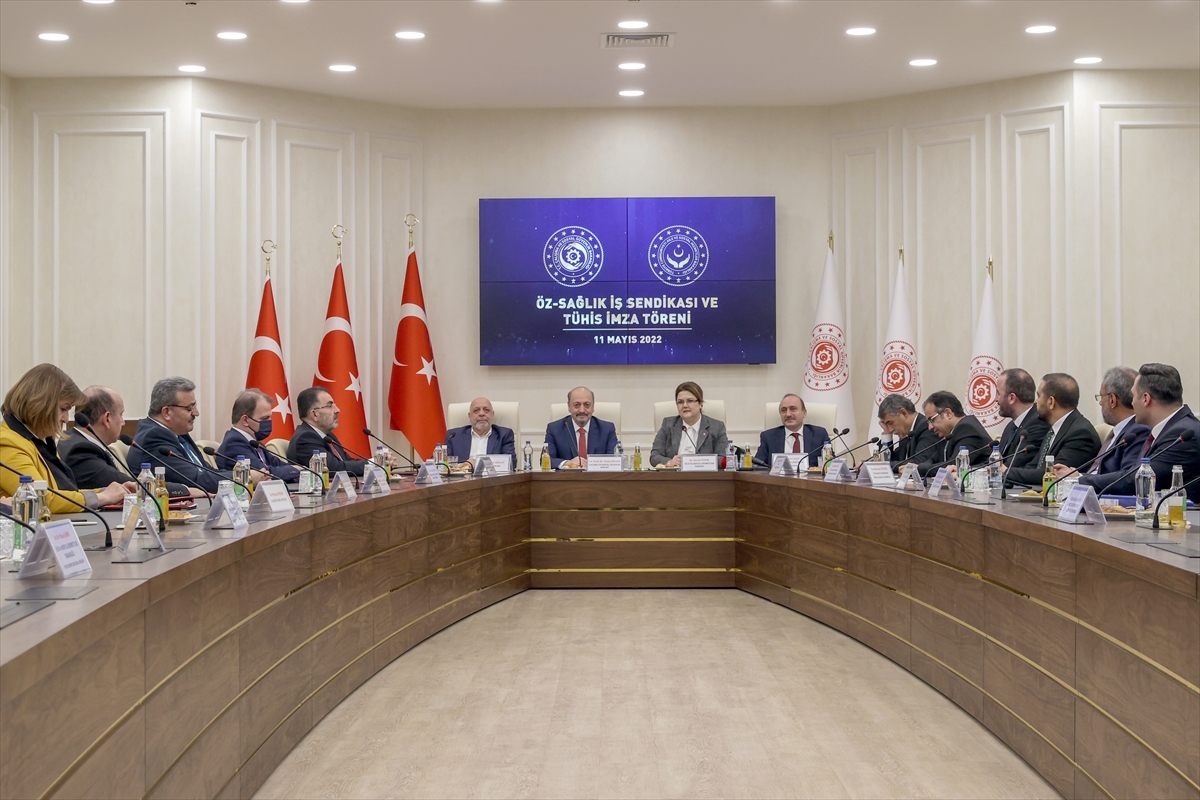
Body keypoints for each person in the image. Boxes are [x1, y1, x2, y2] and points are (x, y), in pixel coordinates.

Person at [0, 363, 130, 512]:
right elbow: (41, 499)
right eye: (63, 409)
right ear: (40, 404)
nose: (66, 419)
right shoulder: (8, 443)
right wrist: (103, 497)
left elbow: (61, 492)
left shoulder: (39, 441)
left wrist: (109, 492)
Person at [61, 386, 201, 498]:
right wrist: (185, 490)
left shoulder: (77, 442)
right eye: (121, 415)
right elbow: (129, 485)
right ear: (107, 418)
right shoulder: (79, 450)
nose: (123, 422)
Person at [1105, 362, 1200, 501]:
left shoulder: (1183, 434)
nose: (1132, 403)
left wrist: (1080, 480)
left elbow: (1136, 481)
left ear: (1145, 399)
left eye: (1133, 396)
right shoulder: (1163, 430)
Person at [128, 376, 232, 494]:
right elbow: (196, 480)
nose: (196, 413)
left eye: (195, 406)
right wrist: (242, 477)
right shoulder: (153, 438)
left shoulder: (178, 433)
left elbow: (208, 471)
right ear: (167, 412)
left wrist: (243, 474)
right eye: (189, 408)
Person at [1005, 373, 1101, 487]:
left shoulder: (1081, 434)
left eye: (1039, 396)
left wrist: (1005, 472)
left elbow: (1052, 474)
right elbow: (1034, 467)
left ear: (1051, 402)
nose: (1035, 401)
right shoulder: (1055, 429)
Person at [1065, 367, 1151, 491]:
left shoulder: (1138, 432)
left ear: (1112, 400)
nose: (1100, 403)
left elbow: (1126, 478)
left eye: (1101, 397)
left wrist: (1078, 479)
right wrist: (1075, 476)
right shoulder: (1117, 432)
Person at [216, 389, 300, 483]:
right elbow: (263, 473)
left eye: (270, 417)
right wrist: (296, 471)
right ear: (245, 420)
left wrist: (299, 469)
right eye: (265, 418)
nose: (269, 422)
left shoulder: (254, 443)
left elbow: (278, 464)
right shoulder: (233, 443)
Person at [287, 387, 371, 475]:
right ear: (314, 414)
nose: (337, 410)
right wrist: (371, 464)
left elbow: (347, 461)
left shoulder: (328, 436)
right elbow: (332, 468)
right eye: (330, 406)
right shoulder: (305, 438)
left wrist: (374, 464)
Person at [651, 381, 728, 467]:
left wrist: (698, 461)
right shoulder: (668, 425)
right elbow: (654, 456)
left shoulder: (717, 427)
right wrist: (670, 462)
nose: (685, 405)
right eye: (680, 402)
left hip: (704, 475)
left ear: (700, 403)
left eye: (690, 401)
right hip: (674, 474)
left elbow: (723, 458)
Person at [544, 387, 619, 469]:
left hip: (598, 477)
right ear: (569, 407)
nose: (582, 410)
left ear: (593, 407)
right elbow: (546, 460)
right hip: (567, 477)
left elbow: (615, 461)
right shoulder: (554, 429)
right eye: (577, 405)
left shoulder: (607, 429)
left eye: (587, 405)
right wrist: (568, 463)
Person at [922, 391, 992, 477]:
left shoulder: (967, 429)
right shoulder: (947, 433)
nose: (930, 427)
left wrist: (920, 468)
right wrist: (919, 467)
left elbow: (955, 465)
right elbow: (933, 459)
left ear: (948, 413)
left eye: (932, 420)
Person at [996, 368, 1050, 473]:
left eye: (998, 393)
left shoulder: (1039, 424)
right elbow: (996, 462)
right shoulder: (1011, 426)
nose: (995, 399)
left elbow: (1012, 466)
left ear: (1012, 398)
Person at [754, 393, 829, 467]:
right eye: (783, 410)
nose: (788, 414)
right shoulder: (768, 437)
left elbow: (830, 463)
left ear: (804, 413)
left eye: (793, 409)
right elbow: (757, 466)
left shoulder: (819, 435)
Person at [445, 397, 516, 469]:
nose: (481, 414)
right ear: (469, 416)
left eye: (486, 410)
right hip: (462, 476)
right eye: (476, 410)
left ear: (492, 414)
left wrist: (479, 464)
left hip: (492, 476)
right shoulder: (454, 436)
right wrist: (463, 466)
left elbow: (511, 463)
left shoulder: (504, 435)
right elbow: (444, 465)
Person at [877, 393, 941, 474]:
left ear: (904, 413)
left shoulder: (926, 427)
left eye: (890, 423)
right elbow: (894, 461)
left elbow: (919, 462)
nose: (890, 429)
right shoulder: (906, 432)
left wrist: (880, 465)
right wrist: (887, 434)